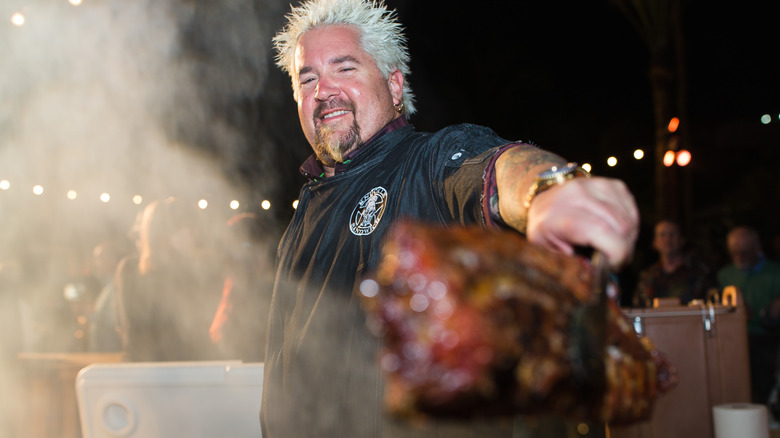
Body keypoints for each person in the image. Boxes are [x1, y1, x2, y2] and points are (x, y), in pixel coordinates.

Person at [261, 0, 639, 436]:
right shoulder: (304, 212)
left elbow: (494, 167)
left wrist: (548, 190)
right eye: (308, 78)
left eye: (344, 68)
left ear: (395, 86)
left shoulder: (429, 161)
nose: (324, 90)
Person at [718, 226, 780, 406]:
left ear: (757, 248)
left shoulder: (775, 273)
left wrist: (764, 314)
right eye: (734, 252)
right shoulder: (725, 275)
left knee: (766, 394)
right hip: (734, 343)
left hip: (768, 343)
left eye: (744, 252)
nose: (739, 257)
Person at [632, 219, 717, 307]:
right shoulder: (647, 276)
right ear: (654, 242)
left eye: (672, 234)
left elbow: (712, 304)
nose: (667, 239)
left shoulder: (700, 273)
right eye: (662, 235)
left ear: (682, 240)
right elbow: (639, 307)